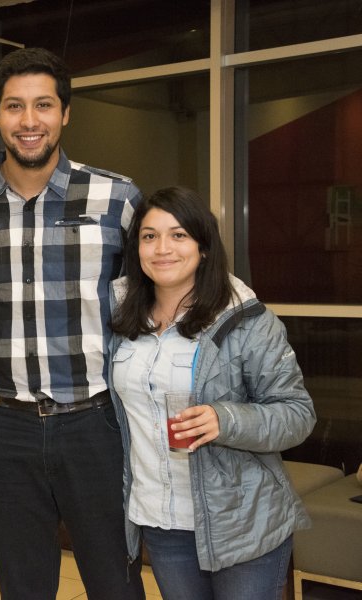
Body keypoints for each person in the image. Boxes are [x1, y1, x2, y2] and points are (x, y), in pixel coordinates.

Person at [0, 47, 146, 599]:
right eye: (14, 106)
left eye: (43, 105)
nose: (29, 121)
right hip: (1, 427)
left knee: (116, 580)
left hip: (96, 425)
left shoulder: (117, 198)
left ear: (66, 113)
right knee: (23, 585)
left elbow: (153, 296)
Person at [109, 186, 317, 600]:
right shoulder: (121, 317)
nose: (162, 248)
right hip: (161, 519)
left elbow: (298, 414)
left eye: (179, 235)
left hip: (241, 522)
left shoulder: (246, 321)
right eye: (149, 236)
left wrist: (226, 420)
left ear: (203, 247)